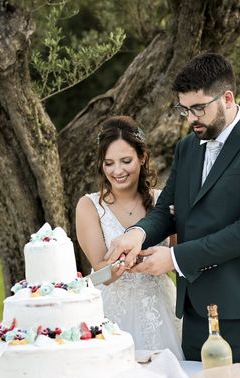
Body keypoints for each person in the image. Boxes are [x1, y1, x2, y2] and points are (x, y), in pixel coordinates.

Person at [105, 53, 240, 373]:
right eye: (184, 109)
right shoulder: (187, 148)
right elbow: (166, 209)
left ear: (228, 98)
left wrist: (174, 260)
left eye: (198, 108)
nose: (191, 118)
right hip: (195, 314)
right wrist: (135, 234)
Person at [76, 116, 184, 360]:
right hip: (112, 314)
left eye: (126, 161)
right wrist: (126, 263)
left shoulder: (163, 202)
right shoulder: (90, 207)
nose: (118, 171)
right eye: (109, 163)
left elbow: (178, 259)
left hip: (161, 310)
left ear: (142, 157)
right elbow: (101, 273)